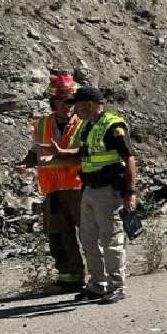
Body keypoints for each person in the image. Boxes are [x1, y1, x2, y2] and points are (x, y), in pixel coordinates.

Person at [51, 86, 137, 304]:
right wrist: (60, 155)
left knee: (111, 239)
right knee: (88, 239)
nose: (74, 110)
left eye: (77, 105)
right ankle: (98, 285)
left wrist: (130, 192)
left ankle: (117, 286)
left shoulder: (113, 125)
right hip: (89, 188)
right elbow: (84, 155)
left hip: (109, 191)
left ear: (88, 104)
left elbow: (129, 158)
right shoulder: (88, 127)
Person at [14, 74, 84, 295]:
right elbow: (35, 152)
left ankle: (100, 279)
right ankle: (69, 279)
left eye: (72, 101)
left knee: (91, 235)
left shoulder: (85, 124)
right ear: (54, 102)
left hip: (78, 187)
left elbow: (86, 154)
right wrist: (26, 163)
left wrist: (55, 159)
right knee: (59, 237)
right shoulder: (43, 124)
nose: (68, 106)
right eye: (64, 101)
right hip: (53, 190)